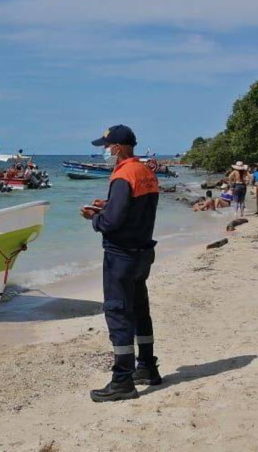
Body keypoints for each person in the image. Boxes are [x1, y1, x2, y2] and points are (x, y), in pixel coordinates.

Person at [81, 124, 161, 402]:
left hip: (121, 254)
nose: (105, 151)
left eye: (106, 147)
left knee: (118, 312)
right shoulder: (146, 172)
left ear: (118, 147)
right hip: (143, 251)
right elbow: (136, 209)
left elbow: (113, 222)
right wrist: (108, 204)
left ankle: (123, 381)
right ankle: (148, 367)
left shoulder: (123, 174)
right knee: (139, 309)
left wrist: (93, 217)